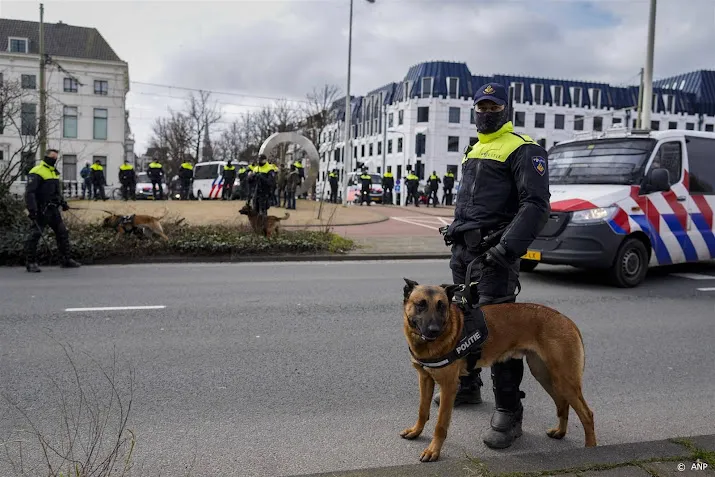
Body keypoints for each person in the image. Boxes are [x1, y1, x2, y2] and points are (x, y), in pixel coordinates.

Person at [436, 82, 550, 450]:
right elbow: (474, 203)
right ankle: (468, 385)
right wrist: (455, 228)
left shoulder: (524, 148)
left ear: (506, 109)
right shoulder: (475, 148)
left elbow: (535, 206)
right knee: (462, 320)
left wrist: (505, 249)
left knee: (500, 333)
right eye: (481, 106)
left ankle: (508, 411)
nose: (486, 112)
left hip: (495, 257)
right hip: (465, 254)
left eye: (493, 106)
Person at [24, 148, 81, 272]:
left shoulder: (54, 172)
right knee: (34, 236)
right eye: (52, 157)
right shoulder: (36, 171)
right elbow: (30, 193)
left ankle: (65, 260)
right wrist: (32, 210)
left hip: (53, 210)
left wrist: (63, 203)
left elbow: (56, 192)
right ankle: (31, 262)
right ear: (46, 157)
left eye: (56, 158)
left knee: (62, 233)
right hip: (41, 210)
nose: (54, 160)